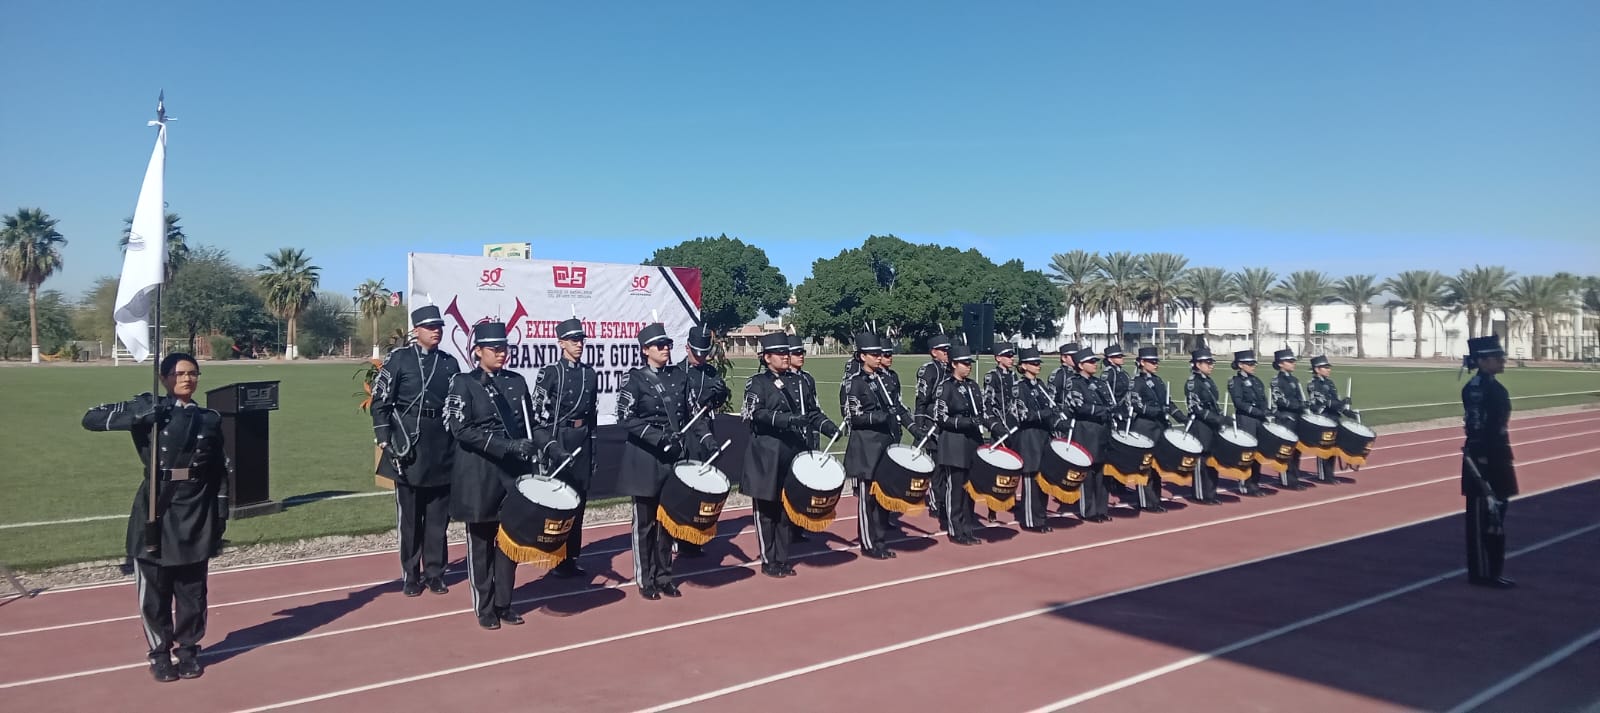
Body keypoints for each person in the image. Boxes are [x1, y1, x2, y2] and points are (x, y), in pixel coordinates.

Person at [83, 353, 230, 682]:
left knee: (193, 590)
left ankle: (190, 649)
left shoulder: (209, 419)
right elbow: (91, 419)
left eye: (193, 373)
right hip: (156, 510)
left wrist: (221, 510)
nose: (187, 379)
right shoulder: (151, 411)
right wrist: (140, 414)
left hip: (196, 508)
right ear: (164, 378)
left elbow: (220, 469)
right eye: (178, 374)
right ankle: (160, 653)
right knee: (155, 592)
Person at [445, 322, 539, 629]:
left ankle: (504, 602)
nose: (501, 354)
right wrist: (506, 445)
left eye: (504, 348)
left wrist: (545, 445)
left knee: (509, 542)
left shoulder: (517, 381)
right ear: (478, 352)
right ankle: (484, 606)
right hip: (479, 473)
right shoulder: (464, 383)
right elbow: (461, 430)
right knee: (482, 541)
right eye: (494, 349)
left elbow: (530, 423)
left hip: (511, 474)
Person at [615, 323, 712, 598]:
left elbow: (694, 414)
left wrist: (706, 439)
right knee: (645, 523)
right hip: (645, 458)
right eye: (660, 345)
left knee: (667, 521)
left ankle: (664, 575)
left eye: (668, 344)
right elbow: (625, 418)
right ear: (645, 350)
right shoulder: (633, 380)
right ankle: (646, 579)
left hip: (672, 459)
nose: (666, 349)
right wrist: (658, 438)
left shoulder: (679, 377)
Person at [372, 305, 460, 597]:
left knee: (438, 517)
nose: (436, 331)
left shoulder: (449, 363)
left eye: (439, 327)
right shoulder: (399, 360)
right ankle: (411, 574)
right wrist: (384, 437)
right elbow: (380, 401)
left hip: (441, 446)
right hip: (407, 444)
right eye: (430, 327)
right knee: (410, 517)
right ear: (416, 330)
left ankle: (435, 572)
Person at [742, 332, 828, 576]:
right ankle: (769, 560)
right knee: (766, 510)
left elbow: (811, 411)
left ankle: (782, 557)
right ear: (767, 357)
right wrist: (785, 419)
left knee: (785, 509)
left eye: (786, 353)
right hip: (766, 455)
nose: (786, 357)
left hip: (791, 453)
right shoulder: (757, 382)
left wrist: (825, 425)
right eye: (780, 354)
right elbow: (753, 414)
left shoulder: (799, 381)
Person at [529, 317, 598, 578]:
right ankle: (553, 553)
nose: (578, 344)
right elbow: (538, 413)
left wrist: (594, 450)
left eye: (580, 340)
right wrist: (548, 446)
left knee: (579, 500)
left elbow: (593, 414)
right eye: (573, 340)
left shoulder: (589, 374)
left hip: (582, 436)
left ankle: (571, 555)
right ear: (561, 343)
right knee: (558, 499)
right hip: (559, 436)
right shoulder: (551, 373)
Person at [1461, 335, 1517, 589]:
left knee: (1497, 520)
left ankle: (1493, 571)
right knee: (1484, 520)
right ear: (1483, 361)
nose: (1502, 361)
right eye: (1497, 357)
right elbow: (1477, 427)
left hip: (1498, 457)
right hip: (1483, 462)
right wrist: (1482, 463)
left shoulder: (1493, 386)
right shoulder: (1477, 389)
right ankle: (1483, 573)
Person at [842, 333, 906, 558]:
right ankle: (869, 544)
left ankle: (880, 540)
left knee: (882, 497)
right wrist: (881, 417)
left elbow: (897, 407)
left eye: (881, 354)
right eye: (874, 354)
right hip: (865, 448)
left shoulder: (886, 379)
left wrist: (912, 426)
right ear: (862, 356)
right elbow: (855, 416)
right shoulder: (854, 383)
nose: (879, 358)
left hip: (884, 446)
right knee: (867, 499)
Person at [674, 325, 730, 558]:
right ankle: (679, 534)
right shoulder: (677, 371)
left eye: (704, 353)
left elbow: (715, 405)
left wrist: (720, 395)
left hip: (706, 430)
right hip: (685, 433)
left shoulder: (711, 372)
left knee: (703, 484)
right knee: (684, 486)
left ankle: (696, 535)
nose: (700, 357)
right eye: (696, 352)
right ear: (687, 347)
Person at [934, 345, 984, 544]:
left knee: (969, 490)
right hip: (954, 443)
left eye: (970, 362)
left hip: (971, 442)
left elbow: (980, 411)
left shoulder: (973, 386)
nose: (968, 366)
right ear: (953, 364)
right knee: (955, 489)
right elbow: (940, 417)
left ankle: (968, 527)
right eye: (964, 363)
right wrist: (965, 422)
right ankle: (956, 530)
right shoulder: (946, 387)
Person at [1128, 346, 1184, 512]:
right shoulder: (1136, 382)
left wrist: (1181, 417)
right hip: (1144, 427)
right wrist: (1158, 411)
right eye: (1152, 361)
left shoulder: (1158, 381)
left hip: (1159, 427)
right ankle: (1146, 502)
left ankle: (1155, 499)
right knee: (1145, 466)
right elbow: (1136, 405)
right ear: (1142, 363)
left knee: (1157, 466)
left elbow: (1168, 402)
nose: (1155, 364)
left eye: (1156, 361)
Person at [1011, 347, 1060, 531]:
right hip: (1028, 437)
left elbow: (1051, 406)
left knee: (1043, 479)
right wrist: (1046, 413)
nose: (1038, 365)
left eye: (1038, 362)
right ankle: (1031, 520)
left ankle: (1041, 517)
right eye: (1033, 363)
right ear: (1023, 365)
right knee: (1031, 480)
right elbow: (1023, 415)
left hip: (1043, 436)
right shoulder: (1019, 387)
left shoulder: (1040, 385)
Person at [1066, 348, 1114, 522]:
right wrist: (1103, 410)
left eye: (1095, 362)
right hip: (1086, 431)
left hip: (1101, 431)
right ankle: (1089, 510)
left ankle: (1102, 508)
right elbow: (1079, 406)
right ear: (1080, 365)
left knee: (1102, 472)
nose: (1095, 364)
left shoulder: (1099, 383)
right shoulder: (1074, 383)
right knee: (1088, 473)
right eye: (1091, 362)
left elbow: (1110, 402)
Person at [914, 333, 953, 524]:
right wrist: (919, 425)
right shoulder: (929, 371)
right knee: (937, 468)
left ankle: (947, 500)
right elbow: (921, 401)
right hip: (933, 426)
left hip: (949, 426)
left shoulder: (950, 369)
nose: (947, 353)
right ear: (933, 352)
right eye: (943, 350)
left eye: (948, 350)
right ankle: (936, 502)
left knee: (948, 467)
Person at [980, 342, 1019, 524]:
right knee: (997, 469)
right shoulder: (991, 376)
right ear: (998, 358)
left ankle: (1010, 499)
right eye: (1008, 356)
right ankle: (992, 508)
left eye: (1012, 356)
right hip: (1000, 428)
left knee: (1014, 467)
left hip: (1015, 427)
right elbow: (986, 404)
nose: (1011, 359)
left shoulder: (1014, 376)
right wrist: (995, 426)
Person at [1306, 355, 1358, 484]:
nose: (1328, 369)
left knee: (1333, 447)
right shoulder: (1313, 384)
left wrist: (1346, 411)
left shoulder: (1330, 383)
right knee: (1324, 447)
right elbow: (1324, 401)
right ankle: (1323, 475)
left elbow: (1335, 400)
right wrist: (1341, 403)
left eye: (1328, 367)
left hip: (1333, 417)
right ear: (1317, 369)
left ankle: (1330, 474)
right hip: (1323, 418)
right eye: (1325, 367)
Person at [1184, 347, 1225, 505]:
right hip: (1200, 424)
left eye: (1211, 362)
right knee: (1201, 459)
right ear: (1197, 364)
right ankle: (1200, 494)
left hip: (1211, 424)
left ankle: (1211, 492)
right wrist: (1217, 419)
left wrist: (1219, 418)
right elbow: (1197, 408)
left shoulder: (1208, 381)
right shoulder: (1193, 383)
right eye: (1208, 363)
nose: (1211, 365)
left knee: (1212, 458)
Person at [1227, 349, 1270, 497]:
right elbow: (1239, 403)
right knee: (1247, 454)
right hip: (1246, 419)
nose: (1253, 366)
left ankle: (1255, 482)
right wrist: (1257, 412)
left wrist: (1266, 411)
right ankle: (1245, 484)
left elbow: (1263, 399)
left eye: (1253, 363)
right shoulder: (1236, 381)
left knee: (1257, 453)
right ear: (1240, 365)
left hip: (1259, 420)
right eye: (1249, 364)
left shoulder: (1256, 380)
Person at [1269, 349, 1309, 490]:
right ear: (1281, 364)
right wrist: (1298, 405)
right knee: (1287, 451)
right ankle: (1287, 480)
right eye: (1290, 361)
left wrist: (1304, 405)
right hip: (1286, 418)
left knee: (1296, 451)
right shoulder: (1277, 381)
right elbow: (1280, 400)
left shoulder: (1294, 380)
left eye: (1293, 361)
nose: (1293, 364)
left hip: (1297, 418)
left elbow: (1300, 397)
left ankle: (1294, 477)